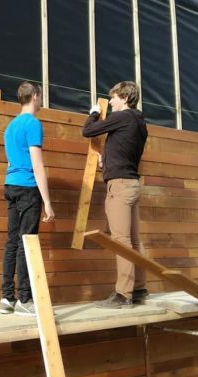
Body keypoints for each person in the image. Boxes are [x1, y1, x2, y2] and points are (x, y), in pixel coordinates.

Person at [82, 81, 148, 309]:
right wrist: (107, 160)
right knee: (134, 239)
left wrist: (93, 114)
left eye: (113, 97)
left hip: (119, 187)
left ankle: (123, 295)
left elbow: (88, 131)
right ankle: (138, 289)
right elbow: (124, 149)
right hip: (131, 183)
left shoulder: (123, 117)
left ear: (125, 97)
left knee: (122, 241)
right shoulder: (139, 122)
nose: (110, 102)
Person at [0, 81, 55, 316]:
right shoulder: (32, 124)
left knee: (12, 242)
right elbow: (37, 164)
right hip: (27, 188)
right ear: (35, 96)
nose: (41, 101)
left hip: (10, 185)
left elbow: (12, 161)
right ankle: (25, 299)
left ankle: (6, 298)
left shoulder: (10, 127)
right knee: (26, 243)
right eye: (40, 97)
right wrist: (48, 202)